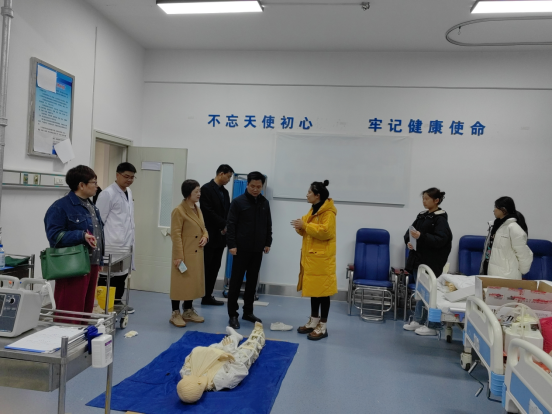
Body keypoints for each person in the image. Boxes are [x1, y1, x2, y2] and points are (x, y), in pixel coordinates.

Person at [44, 165, 104, 321]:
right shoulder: (60, 207)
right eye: (94, 182)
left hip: (91, 264)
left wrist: (100, 260)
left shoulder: (92, 207)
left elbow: (99, 233)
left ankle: (81, 336)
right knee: (69, 312)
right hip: (72, 266)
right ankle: (64, 336)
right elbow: (54, 236)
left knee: (85, 311)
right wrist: (81, 235)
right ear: (81, 185)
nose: (97, 186)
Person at [403, 187, 453, 336]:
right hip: (418, 260)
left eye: (427, 199)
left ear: (436, 200)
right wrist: (409, 242)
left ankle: (433, 325)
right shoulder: (422, 216)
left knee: (431, 294)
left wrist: (421, 237)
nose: (424, 201)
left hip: (431, 262)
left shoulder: (440, 219)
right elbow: (409, 233)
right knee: (420, 292)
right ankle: (418, 320)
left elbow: (440, 240)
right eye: (423, 199)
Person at [291, 180, 337, 341]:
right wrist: (300, 227)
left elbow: (326, 232)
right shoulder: (313, 209)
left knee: (323, 292)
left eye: (309, 192)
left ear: (317, 195)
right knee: (314, 290)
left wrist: (305, 226)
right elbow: (307, 229)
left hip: (322, 260)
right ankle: (314, 321)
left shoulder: (328, 213)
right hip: (312, 258)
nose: (307, 195)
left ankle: (323, 326)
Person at [226, 171, 272, 329]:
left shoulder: (264, 203)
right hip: (240, 249)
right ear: (247, 184)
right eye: (252, 186)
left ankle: (248, 311)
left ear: (262, 186)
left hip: (257, 249)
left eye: (259, 187)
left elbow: (268, 224)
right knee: (236, 283)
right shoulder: (238, 202)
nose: (255, 189)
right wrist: (231, 244)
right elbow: (231, 224)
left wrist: (268, 242)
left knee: (252, 283)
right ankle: (233, 314)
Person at [177, 322, 265, 404]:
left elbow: (193, 355)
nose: (184, 376)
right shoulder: (222, 380)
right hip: (234, 363)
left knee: (220, 346)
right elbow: (239, 369)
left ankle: (235, 336)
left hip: (216, 359)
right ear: (199, 383)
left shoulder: (187, 373)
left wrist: (216, 354)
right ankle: (258, 334)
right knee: (247, 352)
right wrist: (230, 351)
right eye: (186, 379)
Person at [96, 162, 136, 314]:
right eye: (126, 176)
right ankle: (103, 305)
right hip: (111, 243)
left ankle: (117, 302)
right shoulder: (107, 194)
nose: (129, 180)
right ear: (117, 175)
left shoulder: (128, 192)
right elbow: (99, 221)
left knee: (122, 274)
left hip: (126, 241)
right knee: (107, 276)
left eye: (132, 177)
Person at [170, 180, 209, 327]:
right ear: (188, 193)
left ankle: (188, 310)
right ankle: (175, 313)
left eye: (199, 191)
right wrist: (178, 256)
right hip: (184, 253)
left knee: (191, 284)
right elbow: (176, 235)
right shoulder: (179, 211)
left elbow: (203, 228)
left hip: (196, 253)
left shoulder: (197, 209)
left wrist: (205, 236)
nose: (199, 194)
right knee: (179, 284)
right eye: (196, 191)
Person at [199, 164, 234, 306]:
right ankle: (193, 296)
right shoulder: (206, 189)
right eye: (228, 177)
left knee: (215, 267)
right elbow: (207, 211)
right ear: (221, 174)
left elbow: (228, 211)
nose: (229, 180)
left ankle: (207, 296)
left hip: (221, 237)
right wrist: (223, 224)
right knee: (204, 267)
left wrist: (227, 225)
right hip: (209, 235)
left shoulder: (225, 192)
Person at [480, 196, 533, 279]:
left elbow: (524, 253)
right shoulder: (495, 226)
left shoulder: (513, 228)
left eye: (496, 207)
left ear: (503, 210)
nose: (494, 210)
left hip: (507, 276)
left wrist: (520, 271)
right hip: (492, 271)